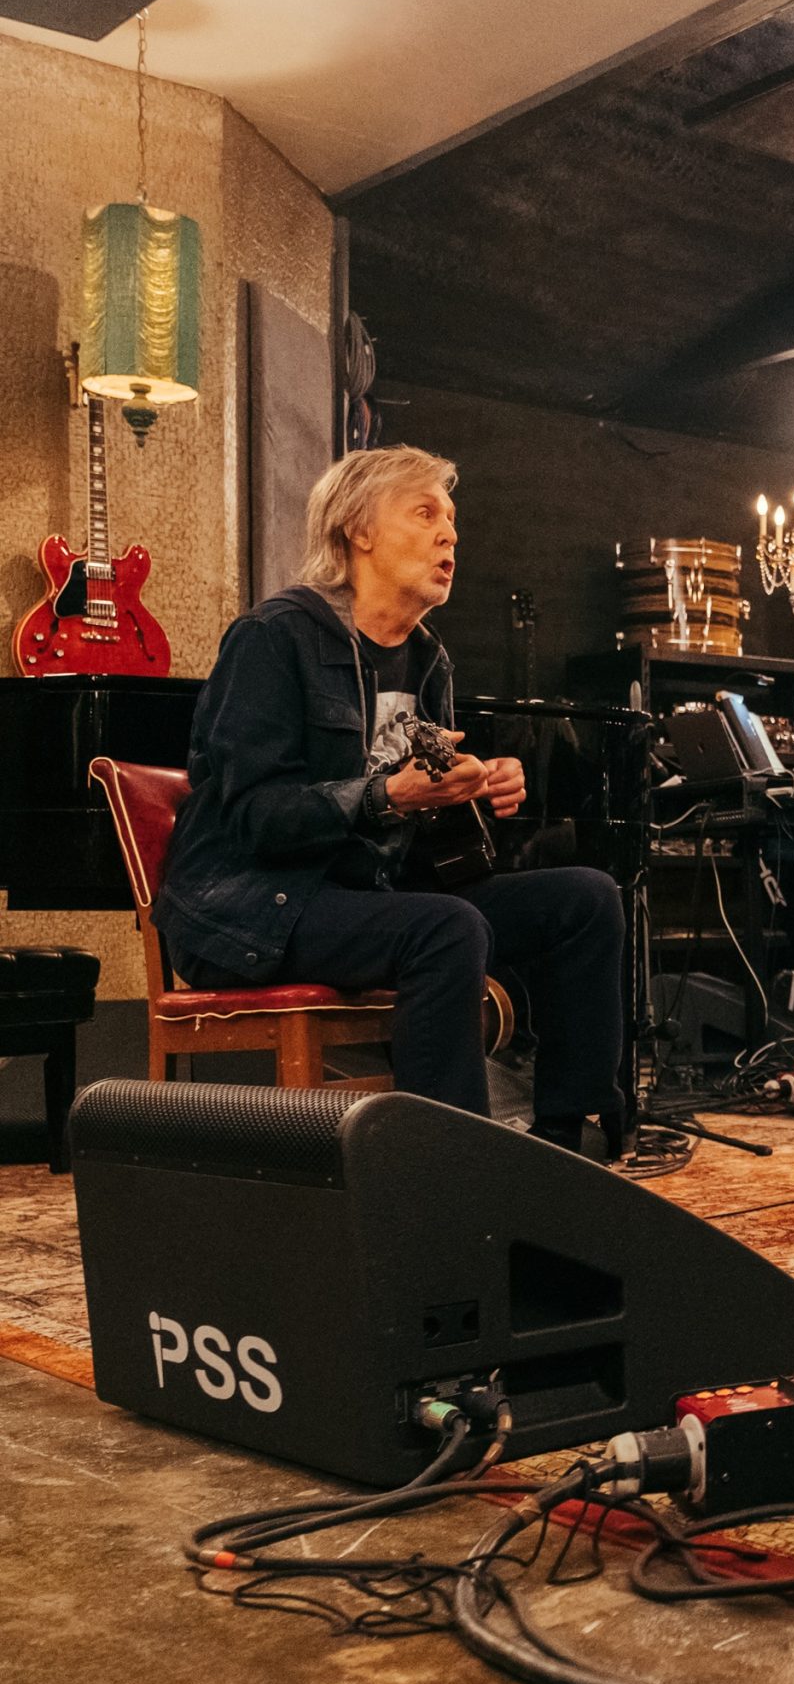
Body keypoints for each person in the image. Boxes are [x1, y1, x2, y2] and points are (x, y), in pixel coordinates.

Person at [155, 446, 627, 1155]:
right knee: (444, 929)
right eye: (426, 513)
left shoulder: (430, 661)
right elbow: (258, 820)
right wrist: (389, 794)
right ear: (359, 530)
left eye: (453, 520)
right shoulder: (272, 639)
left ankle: (571, 1136)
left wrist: (475, 788)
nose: (451, 535)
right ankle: (446, 1167)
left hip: (362, 895)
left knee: (588, 898)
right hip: (257, 905)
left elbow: (424, 840)